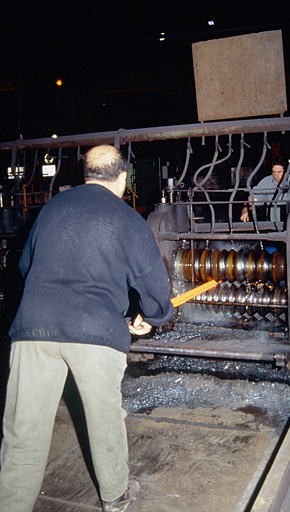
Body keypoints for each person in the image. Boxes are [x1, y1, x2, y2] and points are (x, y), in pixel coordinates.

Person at [0, 145, 174, 512]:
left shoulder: (50, 210)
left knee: (23, 429)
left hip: (33, 328)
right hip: (94, 332)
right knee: (104, 419)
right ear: (123, 178)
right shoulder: (127, 219)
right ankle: (115, 495)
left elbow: (25, 266)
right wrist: (153, 316)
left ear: (86, 175)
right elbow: (154, 283)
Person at [240, 157, 290, 223]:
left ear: (286, 172)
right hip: (272, 225)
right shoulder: (267, 182)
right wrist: (246, 209)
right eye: (273, 172)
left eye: (279, 172)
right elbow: (255, 197)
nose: (276, 176)